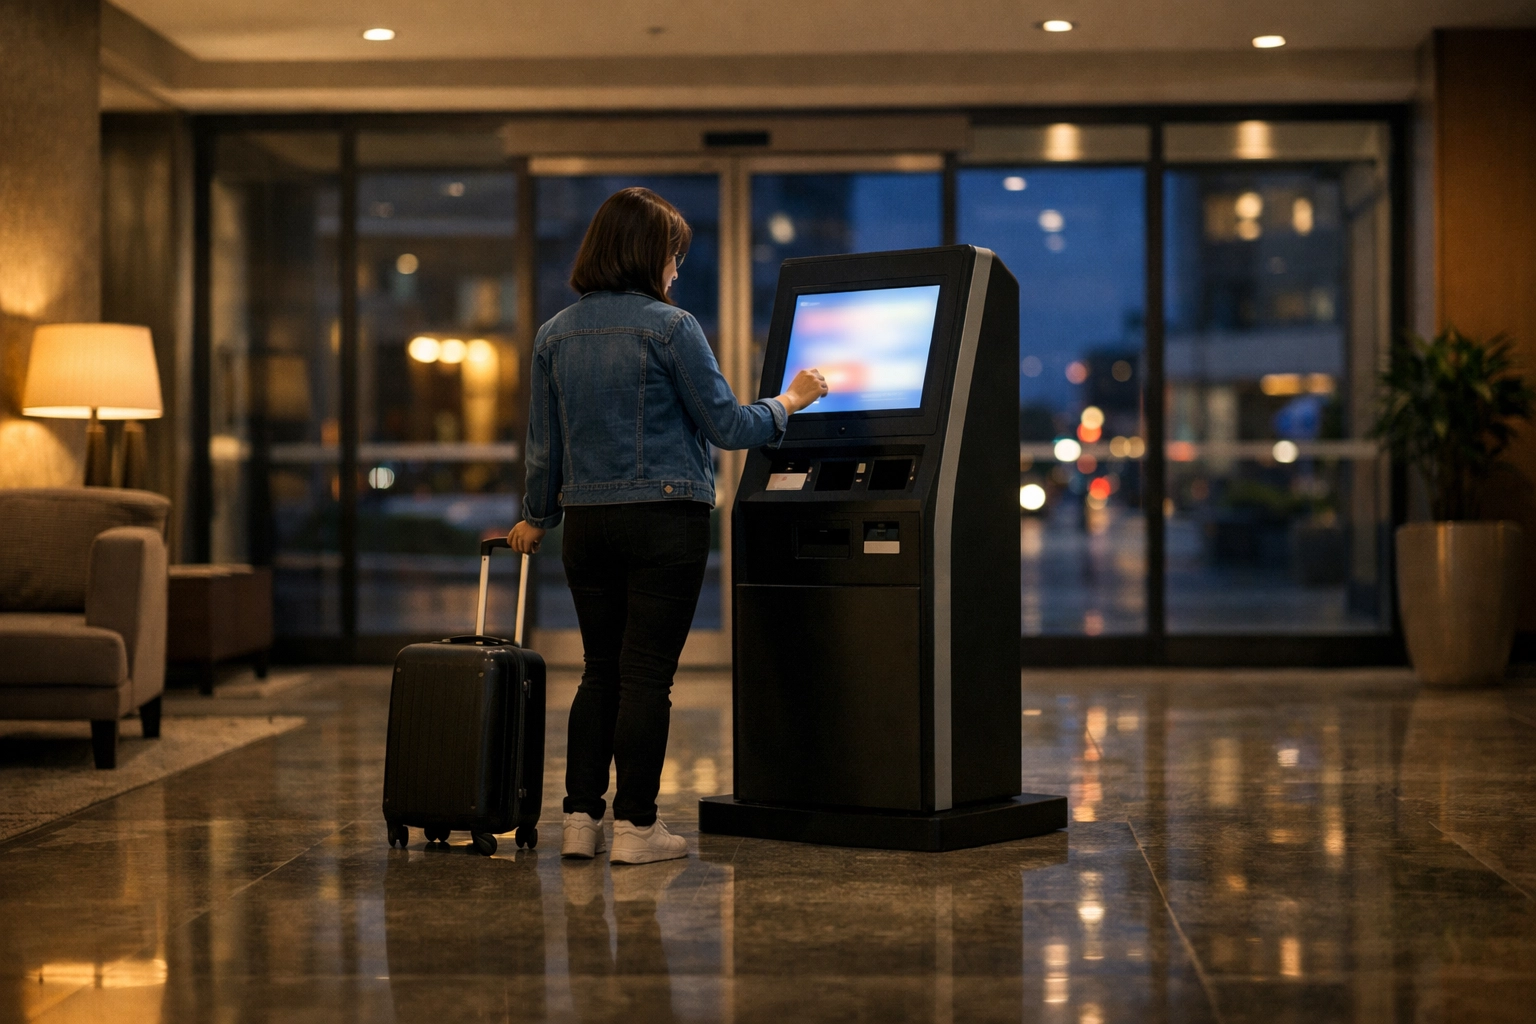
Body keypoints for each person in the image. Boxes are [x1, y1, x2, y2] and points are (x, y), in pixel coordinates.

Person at [508, 187, 827, 865]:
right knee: (647, 676)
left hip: (588, 528)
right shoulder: (671, 327)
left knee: (599, 672)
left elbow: (544, 446)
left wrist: (537, 518)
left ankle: (579, 819)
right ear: (647, 254)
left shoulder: (554, 334)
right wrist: (790, 401)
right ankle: (637, 826)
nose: (677, 270)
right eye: (673, 255)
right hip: (665, 520)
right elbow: (728, 427)